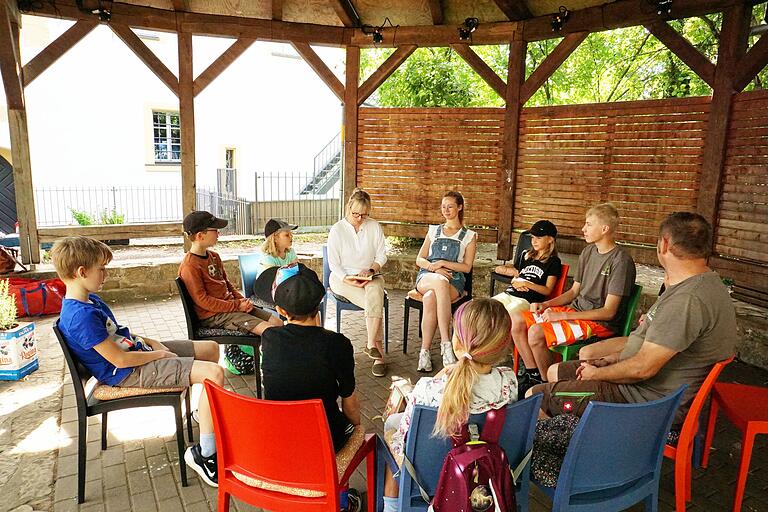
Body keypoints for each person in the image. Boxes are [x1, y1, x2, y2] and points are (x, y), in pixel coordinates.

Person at [528, 212, 736, 426]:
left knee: (533, 397)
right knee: (554, 371)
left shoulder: (687, 300)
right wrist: (614, 358)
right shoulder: (701, 284)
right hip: (644, 383)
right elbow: (653, 349)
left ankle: (569, 447)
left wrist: (598, 374)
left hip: (642, 399)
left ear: (664, 245)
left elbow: (642, 369)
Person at [52, 236, 224, 487]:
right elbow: (120, 360)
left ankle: (203, 413)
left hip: (140, 353)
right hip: (127, 373)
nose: (105, 274)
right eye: (101, 269)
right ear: (81, 272)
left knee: (210, 349)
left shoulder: (91, 300)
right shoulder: (79, 317)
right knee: (214, 374)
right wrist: (159, 355)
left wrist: (153, 341)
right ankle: (205, 454)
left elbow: (120, 334)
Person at [380, 299, 517, 512]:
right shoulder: (510, 382)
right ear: (503, 345)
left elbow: (406, 438)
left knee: (392, 428)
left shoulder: (429, 389)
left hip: (430, 475)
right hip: (488, 471)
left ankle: (391, 508)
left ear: (457, 343)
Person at [253, 263, 363, 511]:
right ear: (319, 305)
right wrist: (356, 428)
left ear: (281, 310)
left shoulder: (269, 339)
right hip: (322, 439)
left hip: (279, 436)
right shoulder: (338, 344)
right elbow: (350, 401)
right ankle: (341, 502)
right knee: (350, 428)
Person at [510, 203, 636, 396]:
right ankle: (533, 374)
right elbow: (574, 292)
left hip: (599, 324)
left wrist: (561, 317)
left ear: (604, 229)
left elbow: (609, 312)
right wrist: (546, 305)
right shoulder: (588, 252)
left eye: (588, 224)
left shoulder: (620, 261)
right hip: (575, 313)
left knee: (536, 332)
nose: (583, 229)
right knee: (517, 320)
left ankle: (546, 386)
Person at [178, 210, 282, 337]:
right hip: (214, 316)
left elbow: (227, 285)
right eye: (215, 230)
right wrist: (237, 305)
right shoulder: (190, 266)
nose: (218, 234)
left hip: (231, 307)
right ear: (200, 236)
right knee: (270, 331)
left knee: (278, 323)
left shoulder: (214, 257)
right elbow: (203, 300)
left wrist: (242, 300)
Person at [327, 189, 388, 377]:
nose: (360, 218)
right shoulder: (338, 229)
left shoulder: (374, 226)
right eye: (356, 214)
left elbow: (381, 256)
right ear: (348, 208)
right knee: (375, 300)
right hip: (342, 278)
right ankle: (378, 356)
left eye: (364, 214)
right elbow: (333, 264)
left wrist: (370, 270)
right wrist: (349, 279)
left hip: (369, 275)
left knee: (375, 290)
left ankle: (371, 344)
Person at [413, 190, 477, 372]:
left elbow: (466, 267)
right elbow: (420, 259)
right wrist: (435, 267)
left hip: (454, 280)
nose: (446, 210)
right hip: (427, 276)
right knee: (439, 282)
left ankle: (424, 353)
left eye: (450, 206)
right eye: (443, 207)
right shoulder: (433, 230)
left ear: (459, 207)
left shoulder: (469, 236)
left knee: (430, 298)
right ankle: (446, 344)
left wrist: (443, 263)